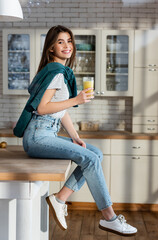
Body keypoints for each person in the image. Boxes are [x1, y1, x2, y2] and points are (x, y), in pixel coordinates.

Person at [14, 25, 137, 237]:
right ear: (51, 48)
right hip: (38, 136)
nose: (67, 45)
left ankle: (60, 198)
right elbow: (42, 108)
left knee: (95, 154)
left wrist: (75, 137)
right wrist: (76, 99)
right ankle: (110, 218)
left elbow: (61, 111)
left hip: (47, 134)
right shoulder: (56, 73)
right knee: (90, 159)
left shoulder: (55, 71)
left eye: (69, 41)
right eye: (60, 41)